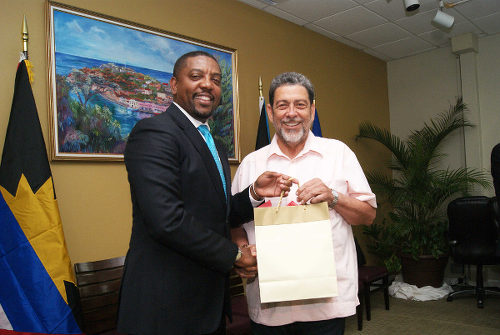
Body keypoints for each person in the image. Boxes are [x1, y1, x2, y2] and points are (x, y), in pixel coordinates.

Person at [117, 51, 293, 335]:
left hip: (206, 302)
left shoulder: (213, 142)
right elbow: (167, 221)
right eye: (196, 76)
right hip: (165, 306)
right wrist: (235, 255)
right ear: (174, 85)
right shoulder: (155, 133)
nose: (207, 85)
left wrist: (254, 194)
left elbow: (214, 214)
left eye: (215, 79)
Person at [231, 72, 377, 335]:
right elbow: (234, 222)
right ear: (271, 111)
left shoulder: (338, 153)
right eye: (282, 105)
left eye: (300, 104)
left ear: (312, 110)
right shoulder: (251, 164)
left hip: (327, 304)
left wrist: (334, 197)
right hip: (269, 305)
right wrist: (242, 250)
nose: (291, 113)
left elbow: (367, 216)